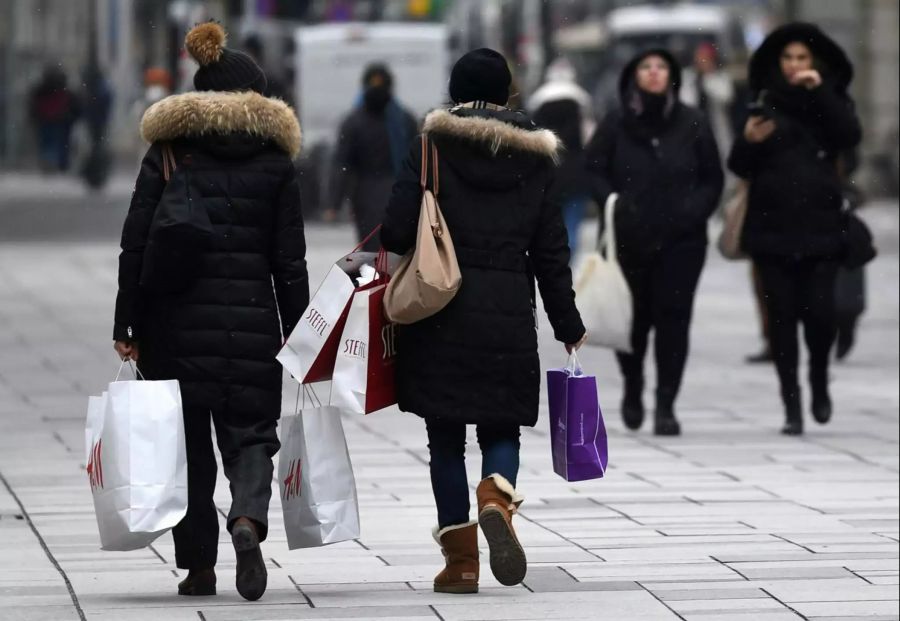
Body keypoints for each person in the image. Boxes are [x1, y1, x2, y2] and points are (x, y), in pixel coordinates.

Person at [112, 23, 308, 600]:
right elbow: (289, 260)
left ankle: (199, 567)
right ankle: (246, 518)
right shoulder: (275, 162)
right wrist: (299, 334)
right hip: (252, 326)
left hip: (175, 326)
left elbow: (136, 240)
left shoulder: (170, 152)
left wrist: (126, 321)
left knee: (190, 448)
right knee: (252, 436)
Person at [381, 48, 586, 594]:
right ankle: (497, 496)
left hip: (438, 308)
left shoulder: (429, 149)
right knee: (501, 425)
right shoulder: (537, 160)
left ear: (453, 90)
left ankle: (461, 563)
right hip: (507, 311)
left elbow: (397, 232)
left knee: (444, 437)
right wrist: (567, 322)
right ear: (507, 93)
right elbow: (550, 251)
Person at [727, 23, 862, 436]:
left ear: (815, 62)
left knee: (821, 316)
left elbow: (849, 137)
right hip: (772, 228)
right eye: (788, 58)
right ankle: (792, 403)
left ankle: (819, 380)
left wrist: (819, 90)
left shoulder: (831, 99)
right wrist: (748, 141)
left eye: (802, 58)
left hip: (821, 227)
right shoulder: (764, 100)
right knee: (782, 319)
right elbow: (739, 165)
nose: (794, 66)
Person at [584, 49, 724, 437]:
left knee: (674, 321)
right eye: (645, 66)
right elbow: (592, 169)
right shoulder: (616, 123)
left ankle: (666, 403)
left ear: (673, 76)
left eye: (662, 67)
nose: (654, 73)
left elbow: (713, 178)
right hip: (630, 239)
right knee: (633, 322)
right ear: (633, 76)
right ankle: (633, 387)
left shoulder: (693, 122)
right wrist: (615, 203)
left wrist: (693, 212)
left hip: (682, 242)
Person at [331, 64, 418, 250]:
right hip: (402, 196)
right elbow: (420, 162)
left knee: (372, 256)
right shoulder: (404, 120)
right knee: (400, 255)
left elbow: (342, 164)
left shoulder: (353, 121)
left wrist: (334, 204)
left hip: (366, 197)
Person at [529, 58, 595, 260]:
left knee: (552, 222)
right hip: (576, 172)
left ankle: (554, 258)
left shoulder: (538, 100)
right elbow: (588, 136)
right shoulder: (581, 99)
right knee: (572, 222)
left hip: (549, 172)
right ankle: (568, 256)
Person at [681, 42, 735, 171]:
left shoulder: (719, 77)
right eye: (700, 57)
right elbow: (684, 101)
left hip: (715, 128)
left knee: (720, 161)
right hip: (692, 129)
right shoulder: (687, 76)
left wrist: (707, 77)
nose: (702, 61)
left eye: (706, 58)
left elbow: (726, 97)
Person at [28, 65, 80, 172]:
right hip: (61, 119)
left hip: (47, 119)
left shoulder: (41, 89)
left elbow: (34, 104)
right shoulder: (63, 90)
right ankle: (59, 163)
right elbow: (74, 105)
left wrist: (34, 116)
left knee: (48, 142)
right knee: (61, 143)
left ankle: (49, 162)